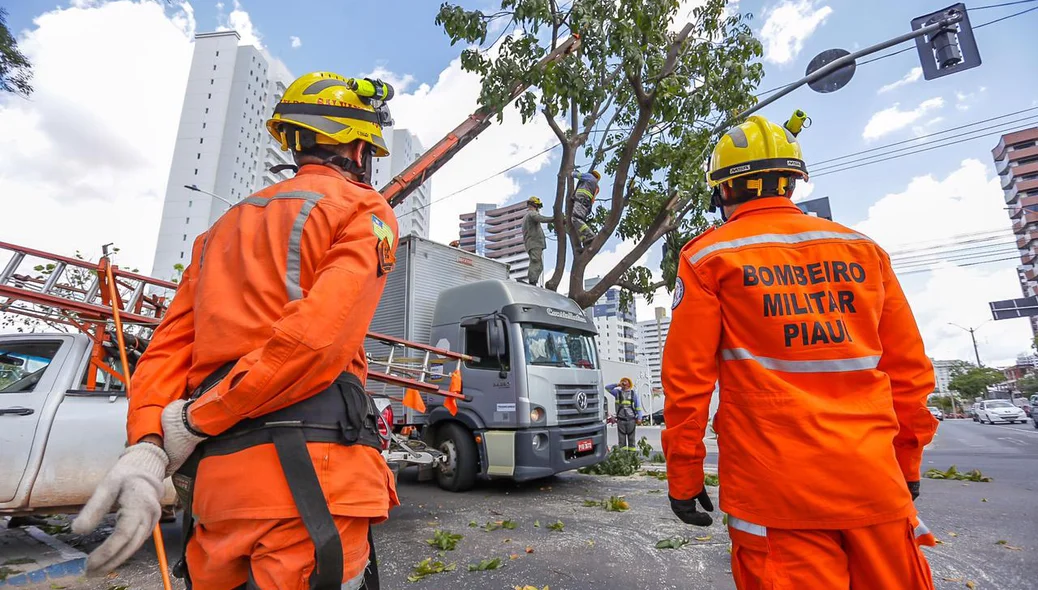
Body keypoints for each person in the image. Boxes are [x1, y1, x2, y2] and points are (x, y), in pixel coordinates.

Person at [71, 71, 401, 590]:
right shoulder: (365, 209)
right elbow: (318, 340)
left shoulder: (217, 231)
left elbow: (166, 349)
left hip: (218, 496)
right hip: (312, 486)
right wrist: (197, 420)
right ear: (359, 148)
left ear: (296, 142)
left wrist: (149, 444)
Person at [661, 114, 938, 589]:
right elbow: (909, 373)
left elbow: (687, 381)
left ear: (723, 190)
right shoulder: (862, 250)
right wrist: (906, 462)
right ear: (792, 182)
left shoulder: (708, 257)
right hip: (874, 483)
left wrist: (684, 476)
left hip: (774, 494)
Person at [605, 377, 642, 451]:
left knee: (631, 439)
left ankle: (632, 456)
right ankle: (623, 456)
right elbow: (607, 388)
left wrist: (639, 418)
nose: (624, 383)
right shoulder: (617, 392)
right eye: (622, 381)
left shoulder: (633, 394)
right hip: (621, 420)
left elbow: (638, 407)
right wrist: (617, 384)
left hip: (631, 419)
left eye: (626, 381)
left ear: (629, 384)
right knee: (621, 440)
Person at [522, 196, 553, 285]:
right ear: (534, 205)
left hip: (533, 243)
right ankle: (532, 282)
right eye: (538, 206)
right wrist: (554, 219)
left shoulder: (527, 216)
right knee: (536, 263)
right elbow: (541, 219)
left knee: (539, 265)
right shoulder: (532, 214)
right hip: (534, 243)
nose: (538, 209)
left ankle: (533, 281)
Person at [570, 169, 600, 246]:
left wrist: (573, 172)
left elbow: (576, 175)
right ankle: (585, 240)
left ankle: (590, 235)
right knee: (579, 222)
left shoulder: (589, 176)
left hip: (581, 200)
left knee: (576, 219)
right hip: (586, 205)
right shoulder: (596, 186)